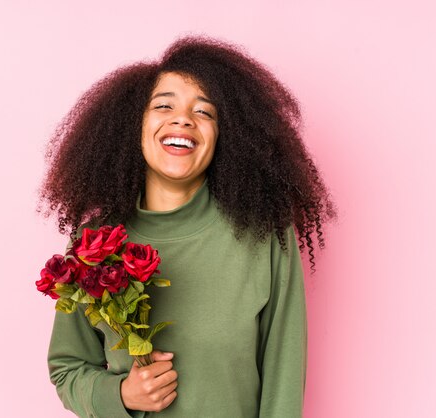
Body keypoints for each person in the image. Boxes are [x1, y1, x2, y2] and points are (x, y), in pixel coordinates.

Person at [39, 35, 335, 417]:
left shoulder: (266, 236)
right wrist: (121, 395)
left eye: (205, 112)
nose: (183, 119)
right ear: (134, 125)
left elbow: (284, 378)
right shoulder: (94, 245)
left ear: (225, 136)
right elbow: (67, 368)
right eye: (164, 106)